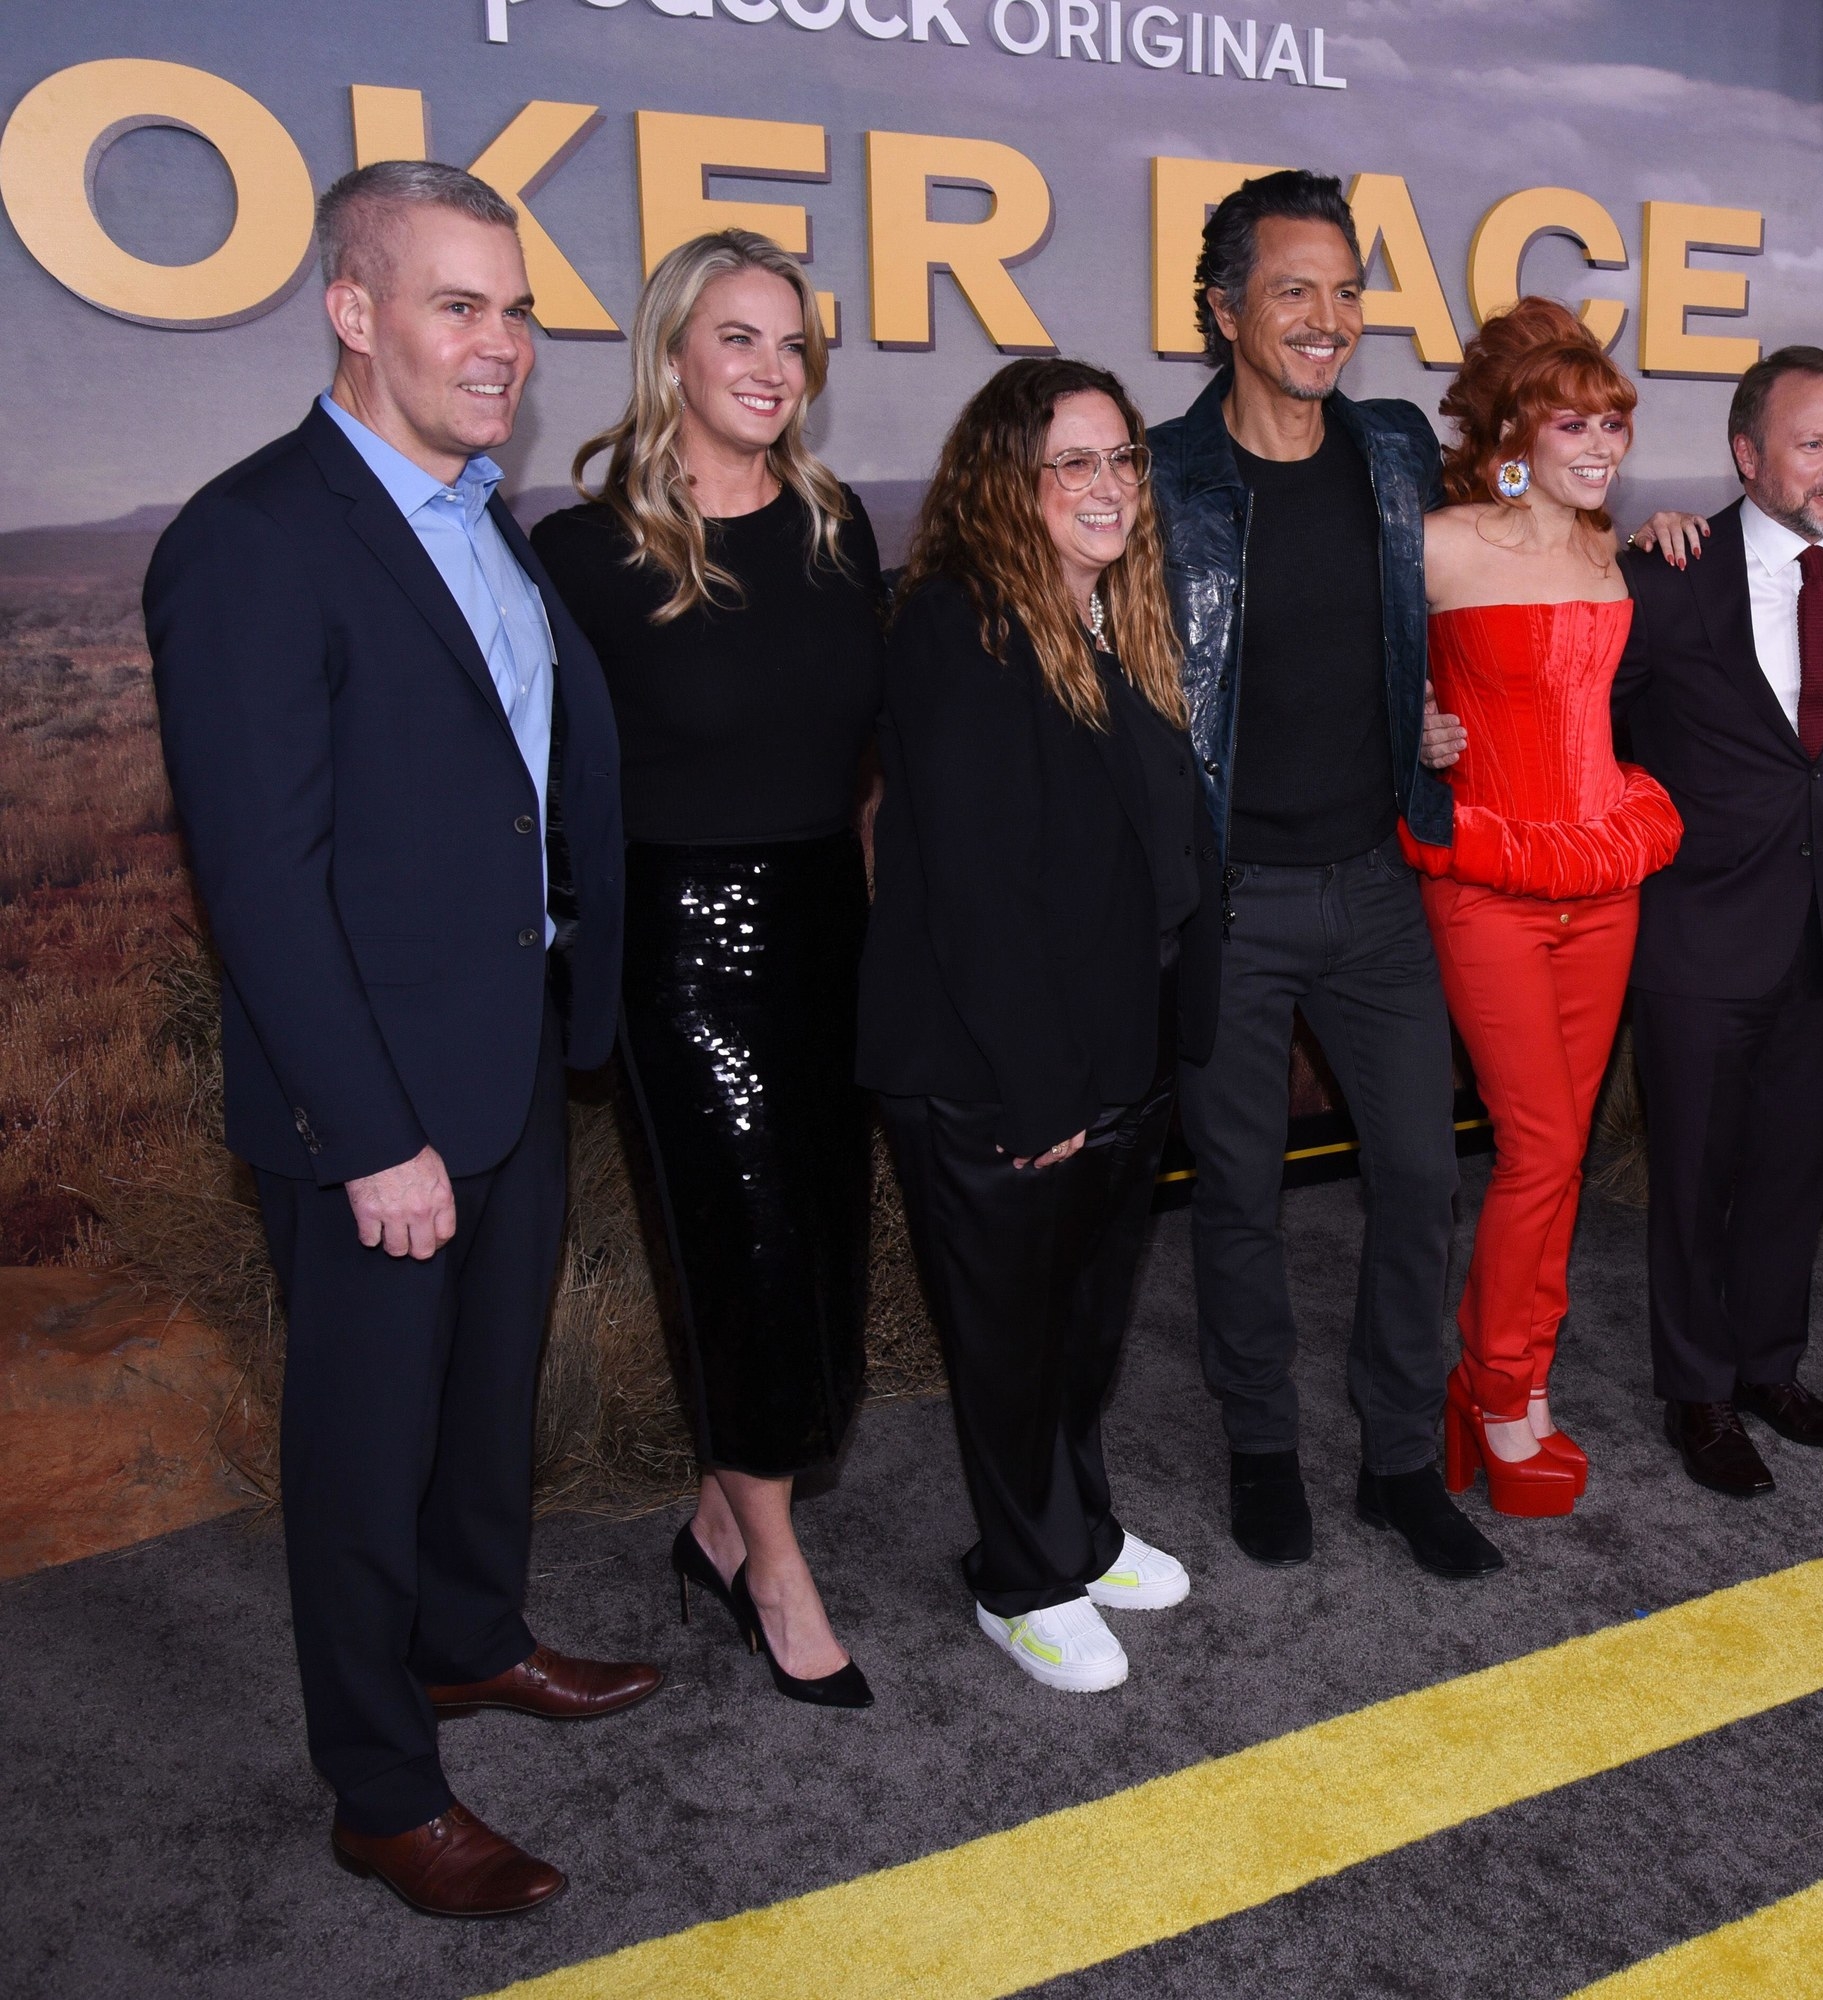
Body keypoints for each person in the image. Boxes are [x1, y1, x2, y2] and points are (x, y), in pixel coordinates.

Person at [144, 162, 652, 1918]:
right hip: (367, 1106)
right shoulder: (255, 538)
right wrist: (369, 1135)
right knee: (362, 1455)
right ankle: (380, 1782)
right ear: (352, 312)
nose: (500, 340)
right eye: (457, 303)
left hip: (501, 1059)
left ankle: (470, 1640)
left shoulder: (475, 513)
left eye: (515, 306)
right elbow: (262, 888)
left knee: (483, 1402)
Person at [531, 230, 879, 1709]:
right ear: (671, 353)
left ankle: (712, 1514)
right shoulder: (579, 555)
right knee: (743, 1249)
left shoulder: (836, 525)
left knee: (825, 1243)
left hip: (826, 925)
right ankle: (774, 1566)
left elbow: (863, 759)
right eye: (738, 339)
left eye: (792, 346)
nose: (771, 371)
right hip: (680, 942)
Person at [1147, 171, 1500, 1580]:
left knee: (1421, 1178)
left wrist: (1427, 708)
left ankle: (1399, 1455)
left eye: (1348, 291)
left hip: (1373, 884)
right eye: (1295, 289)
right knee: (1235, 1192)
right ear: (1224, 309)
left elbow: (1514, 542)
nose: (1329, 318)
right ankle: (1261, 1447)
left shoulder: (1398, 451)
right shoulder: (1166, 479)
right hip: (1230, 898)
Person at [859, 358, 1222, 1692]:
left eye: (1121, 457)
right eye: (1071, 461)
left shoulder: (1116, 617)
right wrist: (1040, 1089)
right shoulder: (958, 623)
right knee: (1013, 1338)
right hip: (1000, 1063)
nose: (1108, 485)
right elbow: (971, 885)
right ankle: (1018, 1578)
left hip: (1119, 1044)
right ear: (1006, 481)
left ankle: (1077, 1528)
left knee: (1085, 1326)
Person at [1409, 299, 1683, 1517]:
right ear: (1517, 426)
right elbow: (1329, 663)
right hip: (1485, 880)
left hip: (1606, 877)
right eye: (1577, 420)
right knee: (1538, 1147)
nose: (1603, 443)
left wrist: (1674, 525)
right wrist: (1406, 722)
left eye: (1614, 422)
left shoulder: (1614, 546)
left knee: (1558, 1159)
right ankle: (1498, 1384)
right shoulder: (1439, 543)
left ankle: (1514, 1383)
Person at [1613, 346, 1823, 1496]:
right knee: (1690, 1177)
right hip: (1698, 933)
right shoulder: (1667, 573)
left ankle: (1770, 1364)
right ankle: (1698, 1390)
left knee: (1793, 1169)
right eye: (1811, 442)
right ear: (1746, 455)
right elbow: (1599, 729)